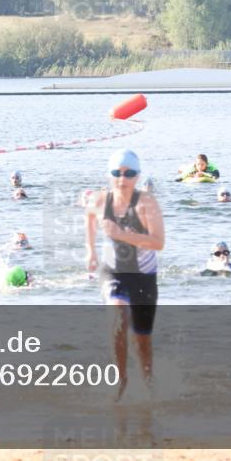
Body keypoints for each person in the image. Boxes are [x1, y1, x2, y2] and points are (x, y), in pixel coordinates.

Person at [85, 149, 165, 401]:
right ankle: (120, 381)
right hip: (114, 272)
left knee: (142, 340)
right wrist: (90, 250)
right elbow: (89, 216)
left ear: (138, 176)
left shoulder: (147, 203)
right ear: (109, 175)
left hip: (144, 276)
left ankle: (148, 382)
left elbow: (158, 242)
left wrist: (119, 233)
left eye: (129, 173)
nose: (122, 179)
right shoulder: (99, 200)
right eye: (116, 173)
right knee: (117, 317)